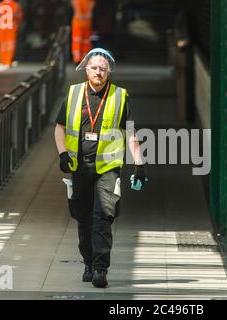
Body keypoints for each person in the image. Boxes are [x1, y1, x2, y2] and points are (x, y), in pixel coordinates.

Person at [54, 48, 147, 288]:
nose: (98, 72)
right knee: (83, 218)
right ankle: (87, 262)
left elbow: (131, 131)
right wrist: (63, 153)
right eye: (94, 67)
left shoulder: (120, 96)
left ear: (109, 72)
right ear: (86, 69)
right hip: (80, 167)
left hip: (108, 167)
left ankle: (99, 268)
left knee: (103, 217)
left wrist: (139, 164)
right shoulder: (74, 93)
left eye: (103, 68)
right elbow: (60, 127)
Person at [0, 0, 23, 67]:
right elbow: (19, 16)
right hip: (11, 28)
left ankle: (3, 61)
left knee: (2, 45)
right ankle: (8, 61)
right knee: (10, 45)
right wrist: (18, 25)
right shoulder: (15, 5)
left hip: (2, 27)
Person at [71, 0, 96, 64]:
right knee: (80, 42)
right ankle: (78, 59)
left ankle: (80, 59)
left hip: (83, 23)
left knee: (84, 42)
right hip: (80, 24)